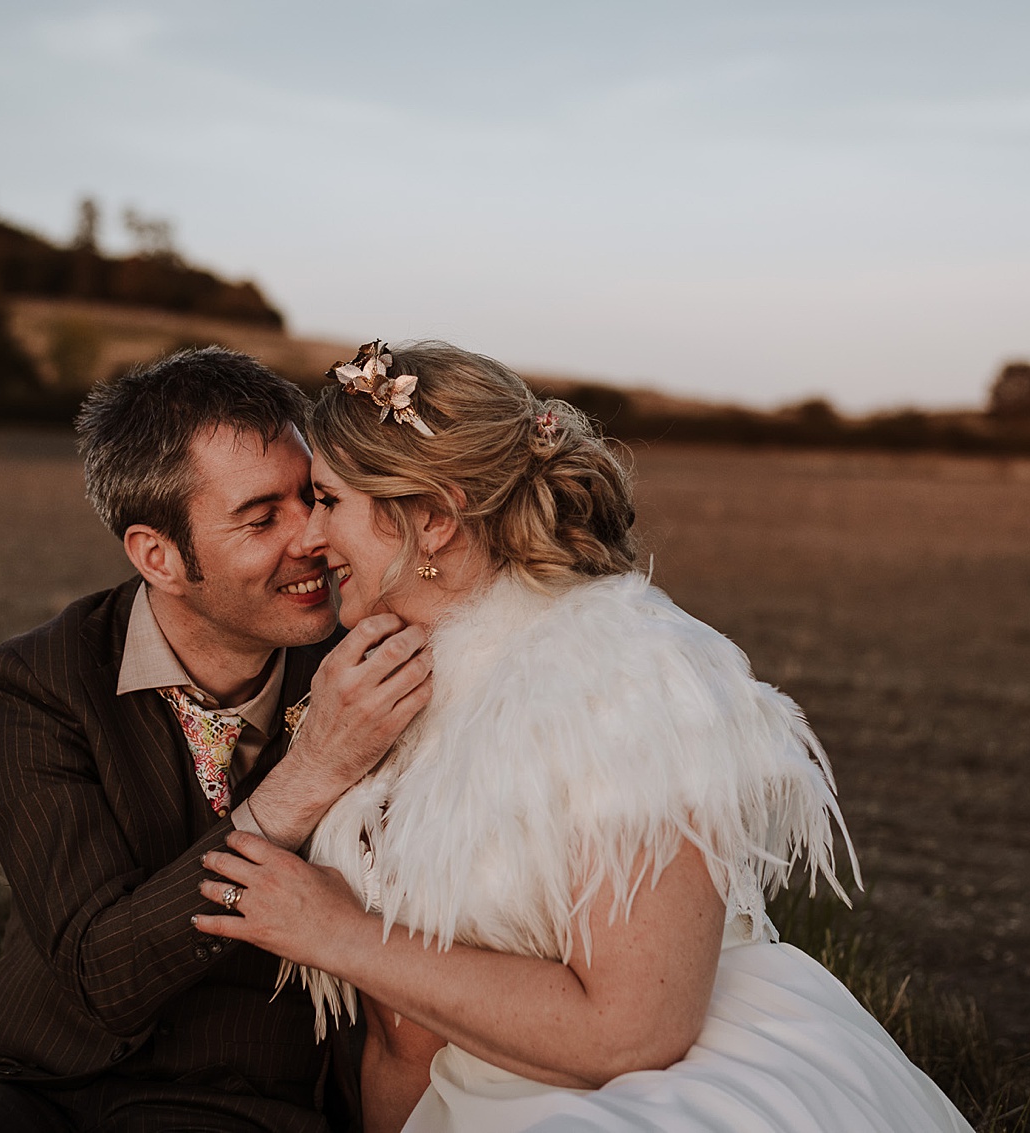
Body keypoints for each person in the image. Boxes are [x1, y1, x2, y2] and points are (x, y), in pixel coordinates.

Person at [189, 341, 975, 1132]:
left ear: (431, 518)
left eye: (327, 500)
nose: (311, 539)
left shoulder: (623, 675)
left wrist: (338, 933)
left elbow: (636, 1031)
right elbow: (407, 1036)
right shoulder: (380, 677)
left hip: (661, 1089)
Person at [0, 347, 433, 1132]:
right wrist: (313, 770)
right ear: (158, 555)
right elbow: (101, 974)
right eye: (263, 517)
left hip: (237, 1098)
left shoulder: (371, 668)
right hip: (30, 1078)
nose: (314, 537)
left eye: (315, 497)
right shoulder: (36, 680)